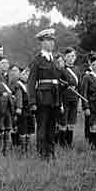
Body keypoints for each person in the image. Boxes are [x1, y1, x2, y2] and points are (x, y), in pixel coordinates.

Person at [27, 29, 65, 160]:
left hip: (54, 98)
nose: (51, 43)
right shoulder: (37, 61)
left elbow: (58, 81)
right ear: (42, 43)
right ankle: (42, 154)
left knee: (52, 128)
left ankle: (51, 152)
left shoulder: (54, 60)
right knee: (42, 127)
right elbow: (31, 83)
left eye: (52, 41)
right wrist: (32, 102)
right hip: (42, 99)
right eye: (48, 41)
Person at [11, 65, 35, 152]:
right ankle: (23, 149)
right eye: (24, 74)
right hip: (23, 110)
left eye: (28, 74)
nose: (26, 75)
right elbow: (19, 97)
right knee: (23, 129)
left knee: (29, 129)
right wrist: (19, 107)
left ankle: (28, 147)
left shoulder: (29, 85)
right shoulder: (18, 85)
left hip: (30, 110)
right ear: (21, 74)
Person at [59, 48, 80, 147]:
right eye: (68, 56)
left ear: (75, 57)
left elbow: (79, 85)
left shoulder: (77, 69)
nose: (71, 58)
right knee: (63, 122)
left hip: (75, 98)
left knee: (71, 122)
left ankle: (69, 144)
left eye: (72, 56)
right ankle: (62, 144)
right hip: (64, 98)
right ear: (64, 58)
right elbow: (59, 87)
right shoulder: (62, 70)